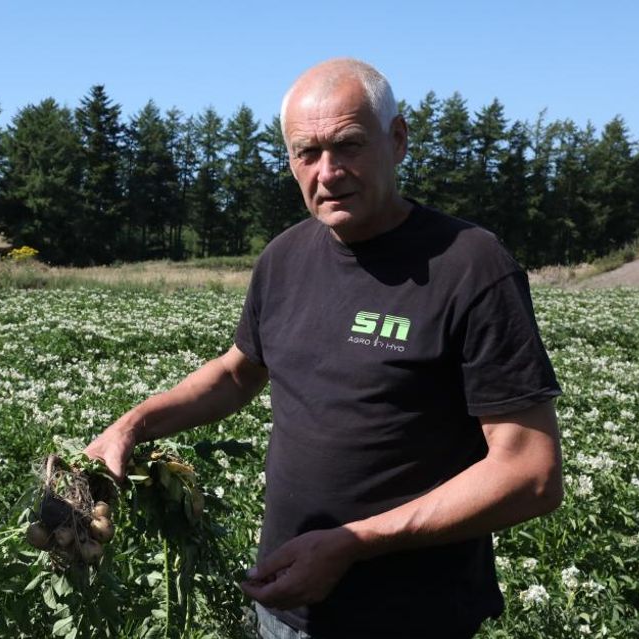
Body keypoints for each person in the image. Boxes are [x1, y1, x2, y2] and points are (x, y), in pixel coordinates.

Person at [85, 58, 563, 638]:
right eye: (306, 153)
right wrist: (132, 425)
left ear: (398, 139)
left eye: (348, 145)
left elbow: (530, 472)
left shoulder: (470, 265)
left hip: (410, 617)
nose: (328, 172)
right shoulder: (283, 259)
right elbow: (239, 373)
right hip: (284, 601)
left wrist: (353, 545)